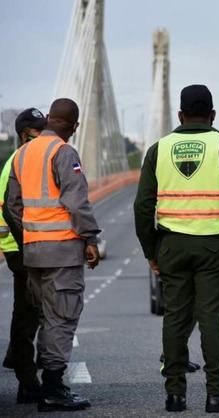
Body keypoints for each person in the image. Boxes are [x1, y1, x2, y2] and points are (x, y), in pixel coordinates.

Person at [134, 84, 219, 413]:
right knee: (213, 318)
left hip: (172, 245)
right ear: (213, 114)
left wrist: (151, 251)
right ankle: (217, 393)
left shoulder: (158, 149)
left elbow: (143, 206)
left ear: (180, 115)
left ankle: (175, 394)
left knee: (174, 318)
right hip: (215, 246)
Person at [5, 98, 100, 412]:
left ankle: (46, 385)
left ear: (48, 118)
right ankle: (54, 388)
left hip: (32, 253)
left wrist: (29, 239)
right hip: (62, 251)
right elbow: (76, 202)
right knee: (62, 317)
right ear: (72, 125)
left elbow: (12, 206)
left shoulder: (22, 155)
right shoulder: (63, 152)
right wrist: (89, 237)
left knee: (46, 317)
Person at [0, 108, 46, 403]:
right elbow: (10, 210)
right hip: (21, 250)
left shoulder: (28, 160)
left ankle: (18, 363)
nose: (44, 136)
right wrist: (28, 246)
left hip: (27, 248)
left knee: (31, 314)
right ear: (24, 135)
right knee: (29, 316)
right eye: (38, 131)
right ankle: (27, 382)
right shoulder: (17, 163)